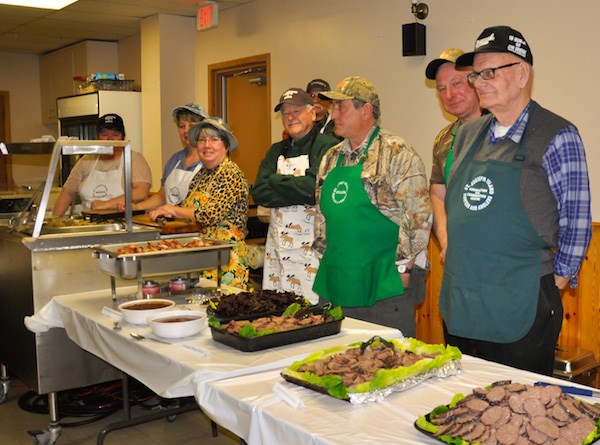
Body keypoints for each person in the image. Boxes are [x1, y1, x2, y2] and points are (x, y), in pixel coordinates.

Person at [440, 26, 592, 375]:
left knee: (517, 412)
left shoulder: (557, 134)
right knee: (462, 406)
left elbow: (577, 218)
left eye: (490, 72)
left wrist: (555, 283)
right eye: (476, 74)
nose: (479, 82)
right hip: (463, 300)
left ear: (522, 74)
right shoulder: (467, 134)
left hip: (520, 303)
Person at [312, 76, 432, 337]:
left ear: (365, 110)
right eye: (333, 108)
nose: (333, 115)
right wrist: (323, 257)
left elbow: (418, 215)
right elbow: (322, 217)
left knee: (386, 363)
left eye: (341, 107)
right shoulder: (331, 157)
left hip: (383, 281)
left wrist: (403, 270)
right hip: (336, 279)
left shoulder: (397, 153)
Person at [252, 88, 339, 303]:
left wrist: (275, 180)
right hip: (277, 251)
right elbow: (259, 193)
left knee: (309, 311)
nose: (290, 117)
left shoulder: (326, 145)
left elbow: (313, 190)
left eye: (296, 111)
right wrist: (296, 188)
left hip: (312, 250)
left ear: (312, 112)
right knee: (277, 309)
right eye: (285, 113)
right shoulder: (276, 150)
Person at [149, 117, 250, 290]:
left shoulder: (231, 173)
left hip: (226, 259)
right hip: (204, 256)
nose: (206, 145)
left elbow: (209, 214)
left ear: (226, 146)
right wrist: (165, 211)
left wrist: (174, 210)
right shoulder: (202, 174)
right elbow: (187, 205)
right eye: (202, 140)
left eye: (214, 139)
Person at [425, 49, 482, 261]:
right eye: (442, 88)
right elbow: (437, 195)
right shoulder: (444, 139)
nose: (449, 94)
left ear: (476, 81)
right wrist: (447, 241)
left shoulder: (505, 129)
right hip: (458, 256)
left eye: (456, 83)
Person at [52, 113, 151, 216]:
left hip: (122, 222)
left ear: (123, 137)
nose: (110, 139)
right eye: (104, 134)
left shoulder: (133, 159)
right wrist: (54, 221)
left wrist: (105, 204)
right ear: (98, 137)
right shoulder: (86, 160)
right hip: (88, 223)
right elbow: (67, 193)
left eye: (115, 135)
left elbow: (141, 193)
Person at [123, 103, 207, 211]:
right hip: (171, 225)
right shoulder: (175, 159)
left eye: (192, 125)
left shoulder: (209, 162)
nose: (186, 130)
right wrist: (137, 207)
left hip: (195, 226)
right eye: (182, 126)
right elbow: (162, 196)